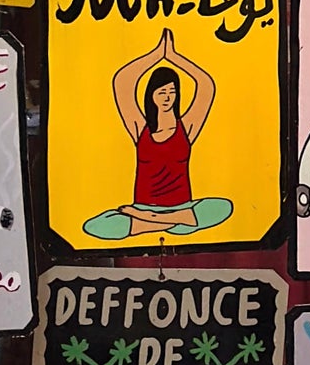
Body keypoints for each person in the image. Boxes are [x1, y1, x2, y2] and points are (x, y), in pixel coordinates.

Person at [82, 28, 232, 240]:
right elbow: (123, 82)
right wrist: (156, 55)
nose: (167, 97)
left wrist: (174, 57)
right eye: (162, 92)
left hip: (180, 206)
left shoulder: (186, 127)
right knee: (96, 225)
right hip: (151, 208)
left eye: (172, 92)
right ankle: (175, 223)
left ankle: (150, 222)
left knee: (223, 207)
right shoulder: (140, 128)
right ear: (151, 96)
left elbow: (206, 86)